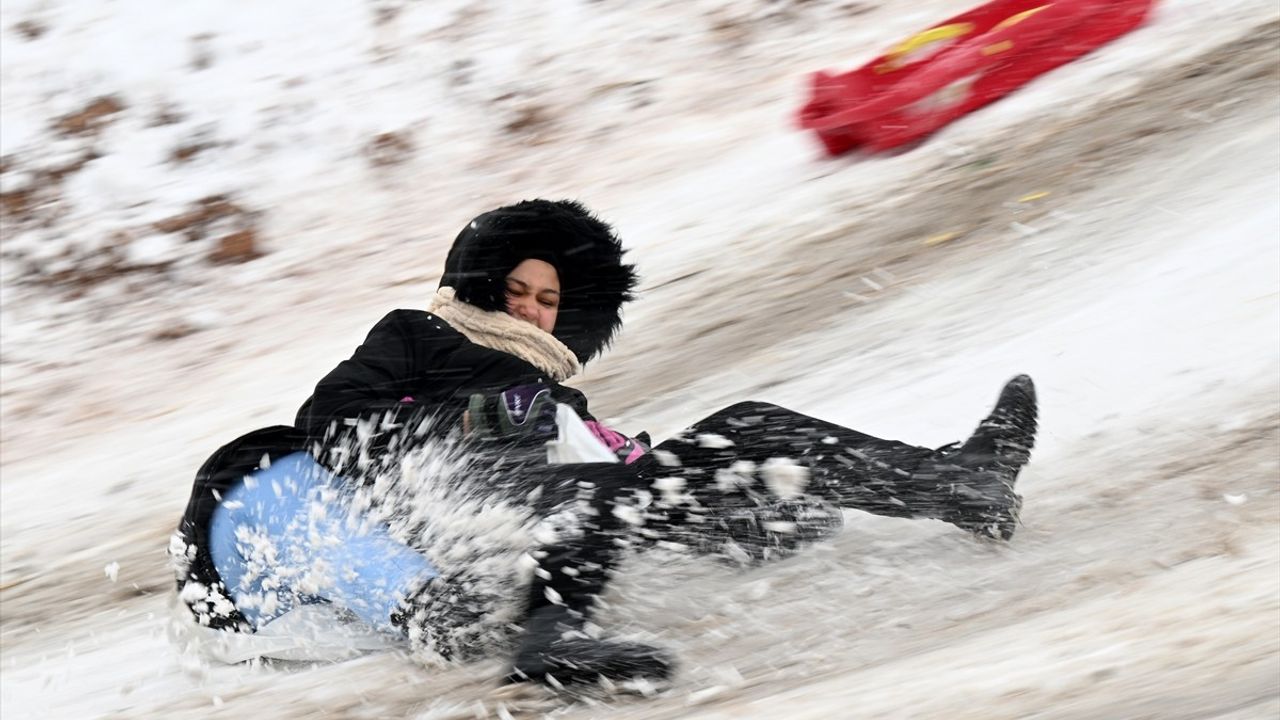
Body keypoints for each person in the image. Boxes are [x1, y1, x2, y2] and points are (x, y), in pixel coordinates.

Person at [171, 199, 1038, 686]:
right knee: (574, 498)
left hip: (535, 522)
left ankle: (960, 484)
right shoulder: (415, 336)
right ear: (482, 283)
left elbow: (625, 481)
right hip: (426, 527)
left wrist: (740, 515)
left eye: (549, 301)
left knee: (744, 429)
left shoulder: (557, 396)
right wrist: (477, 422)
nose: (530, 310)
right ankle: (547, 642)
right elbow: (334, 424)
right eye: (517, 290)